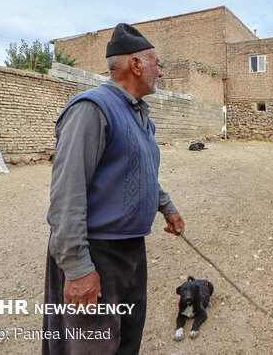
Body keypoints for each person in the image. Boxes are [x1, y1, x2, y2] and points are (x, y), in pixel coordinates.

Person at [42, 23, 184, 355]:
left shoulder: (140, 116)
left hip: (130, 249)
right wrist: (77, 269)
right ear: (136, 65)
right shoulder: (92, 109)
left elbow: (141, 172)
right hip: (97, 252)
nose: (161, 73)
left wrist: (167, 207)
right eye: (156, 64)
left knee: (127, 338)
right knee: (91, 346)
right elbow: (66, 192)